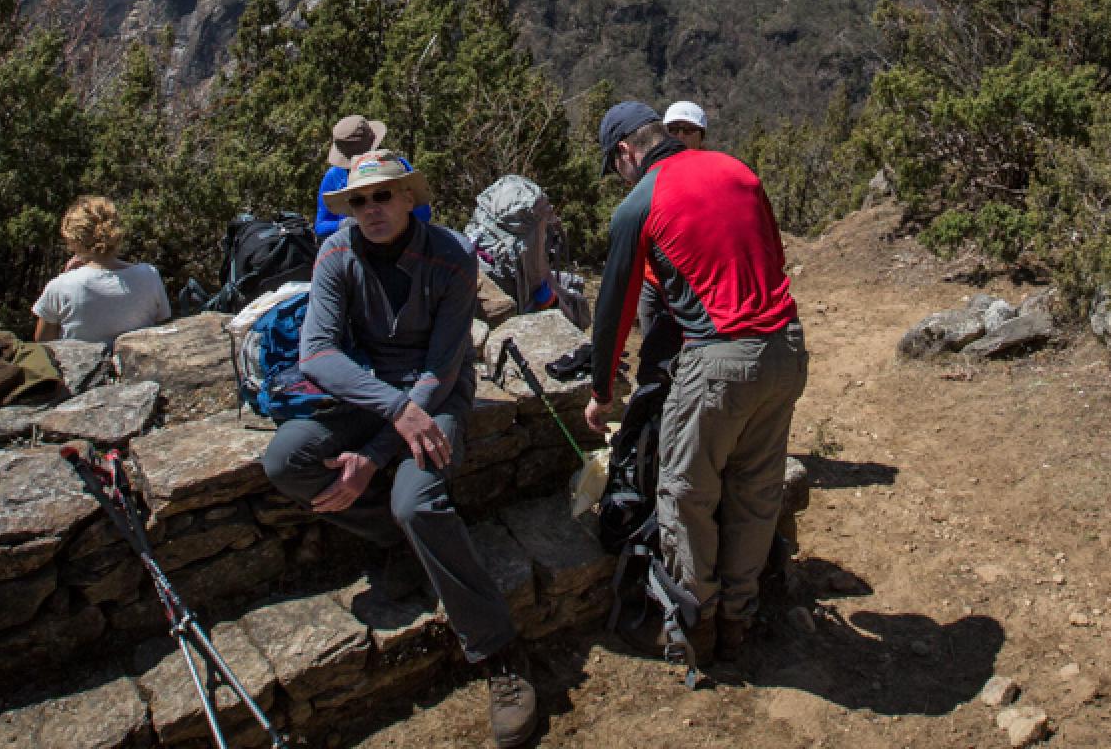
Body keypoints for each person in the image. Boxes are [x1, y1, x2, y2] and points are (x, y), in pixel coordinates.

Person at [260, 151, 537, 749]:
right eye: (359, 201)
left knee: (418, 503)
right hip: (370, 394)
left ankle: (499, 652)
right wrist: (391, 414)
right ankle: (396, 542)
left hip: (435, 398)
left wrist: (379, 451)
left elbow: (442, 367)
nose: (371, 209)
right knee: (287, 459)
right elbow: (316, 354)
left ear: (410, 198)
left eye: (383, 196)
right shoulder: (337, 256)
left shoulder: (451, 256)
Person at [585, 101, 807, 668]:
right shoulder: (738, 170)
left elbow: (613, 308)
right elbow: (773, 259)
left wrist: (601, 391)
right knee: (756, 492)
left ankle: (694, 626)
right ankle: (739, 616)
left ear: (625, 153)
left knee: (687, 496)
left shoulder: (640, 202)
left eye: (616, 168)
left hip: (718, 360)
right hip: (785, 346)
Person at [32, 195, 172, 344]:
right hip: (137, 362)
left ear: (74, 239)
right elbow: (162, 324)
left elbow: (43, 341)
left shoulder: (61, 286)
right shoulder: (149, 275)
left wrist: (67, 276)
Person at [312, 115, 388, 239]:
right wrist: (348, 224)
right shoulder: (334, 176)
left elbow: (422, 213)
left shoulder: (396, 167)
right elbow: (321, 227)